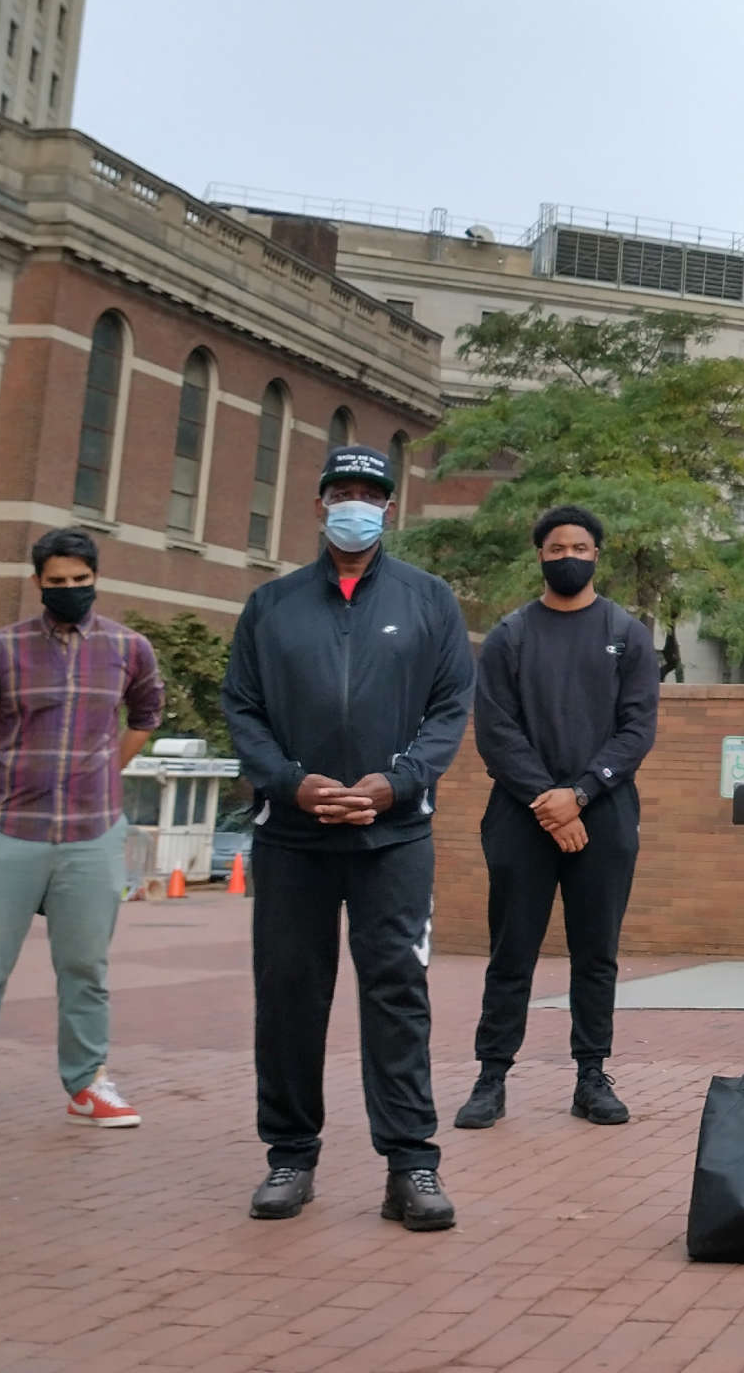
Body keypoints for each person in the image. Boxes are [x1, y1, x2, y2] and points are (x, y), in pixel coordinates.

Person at [221, 444, 472, 1229]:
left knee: (397, 993)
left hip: (394, 837)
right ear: (319, 503)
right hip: (292, 837)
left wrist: (393, 784)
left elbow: (448, 709)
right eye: (342, 491)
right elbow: (244, 708)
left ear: (389, 508)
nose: (355, 504)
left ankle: (411, 1166)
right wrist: (290, 781)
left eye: (370, 493)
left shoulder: (430, 601)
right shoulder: (273, 605)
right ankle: (290, 1156)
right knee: (290, 995)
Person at [0, 528, 163, 1141]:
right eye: (56, 581)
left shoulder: (129, 648)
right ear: (37, 582)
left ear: (95, 578)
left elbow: (145, 715)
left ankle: (88, 1082)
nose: (69, 590)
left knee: (85, 968)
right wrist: (19, 770)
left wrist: (103, 769)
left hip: (92, 830)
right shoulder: (0, 650)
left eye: (79, 580)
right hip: (10, 828)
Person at [454, 504, 659, 1133]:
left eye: (578, 546)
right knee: (511, 949)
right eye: (554, 548)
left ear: (597, 553)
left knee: (596, 953)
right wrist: (549, 799)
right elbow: (495, 730)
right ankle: (492, 1076)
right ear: (539, 556)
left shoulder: (628, 633)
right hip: (522, 814)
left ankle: (591, 1076)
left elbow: (636, 729)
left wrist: (582, 794)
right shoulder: (509, 637)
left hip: (605, 812)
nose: (566, 555)